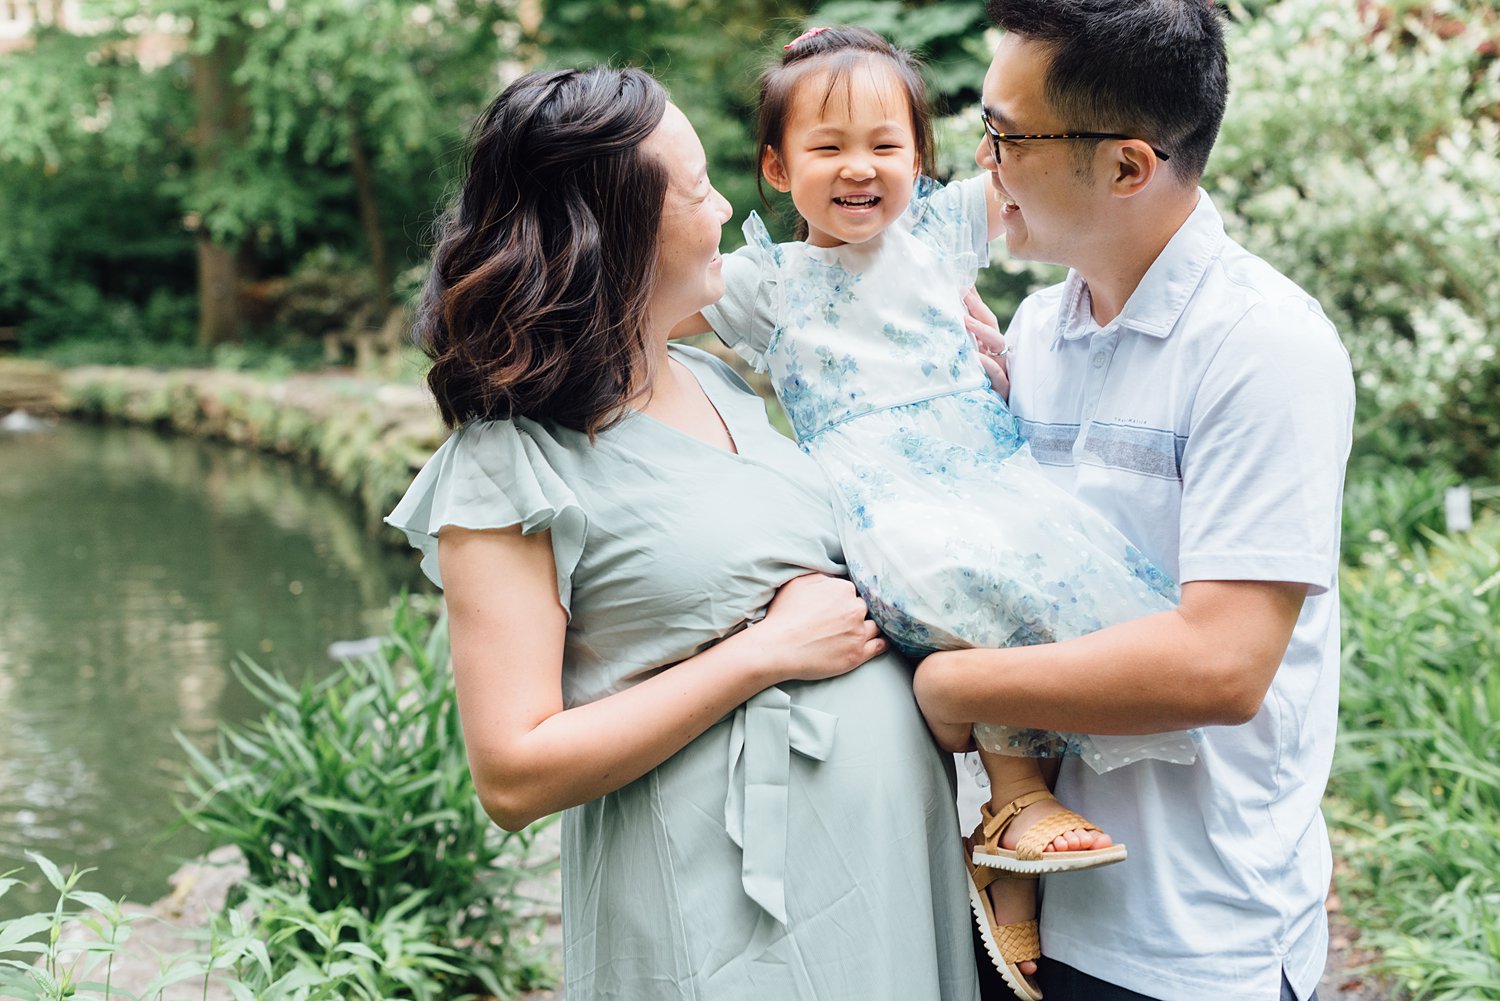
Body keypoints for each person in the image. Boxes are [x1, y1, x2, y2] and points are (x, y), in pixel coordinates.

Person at [384, 66, 982, 1001]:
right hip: (722, 927)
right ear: (616, 228)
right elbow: (513, 771)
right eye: (699, 188)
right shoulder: (509, 464)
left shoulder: (722, 382)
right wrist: (762, 656)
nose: (724, 210)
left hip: (886, 885)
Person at [673, 26, 1201, 1001]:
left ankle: (1010, 854)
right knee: (958, 577)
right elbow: (647, 303)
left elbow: (1040, 155)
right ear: (777, 167)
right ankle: (1017, 801)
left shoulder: (941, 237)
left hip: (985, 470)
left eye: (886, 143)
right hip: (890, 499)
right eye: (826, 148)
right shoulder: (768, 283)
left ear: (922, 158)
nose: (859, 167)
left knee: (1053, 592)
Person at [914, 2, 1355, 1000]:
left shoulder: (1262, 348)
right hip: (1023, 907)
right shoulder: (1034, 333)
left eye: (1005, 135)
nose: (983, 164)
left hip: (1190, 940)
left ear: (1127, 165)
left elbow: (1222, 661)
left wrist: (955, 686)